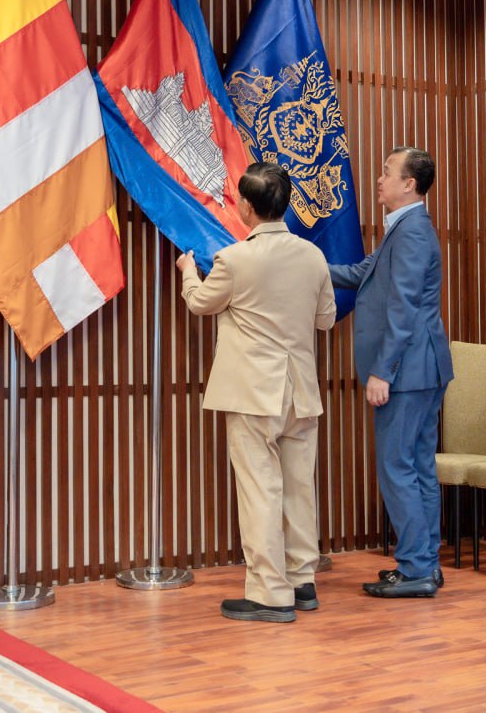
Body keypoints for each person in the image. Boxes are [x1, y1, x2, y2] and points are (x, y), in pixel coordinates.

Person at [177, 161, 337, 623]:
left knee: (260, 490)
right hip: (300, 391)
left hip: (253, 392)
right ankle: (302, 580)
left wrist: (187, 270)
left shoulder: (234, 259)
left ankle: (270, 592)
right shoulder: (313, 256)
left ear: (247, 207)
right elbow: (326, 319)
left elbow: (200, 303)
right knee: (299, 489)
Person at [329, 147, 453, 598]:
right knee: (417, 468)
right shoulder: (404, 228)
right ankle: (425, 564)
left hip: (408, 372)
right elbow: (363, 273)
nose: (379, 180)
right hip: (421, 370)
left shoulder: (413, 231)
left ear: (409, 184)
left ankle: (417, 567)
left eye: (386, 172)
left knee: (397, 467)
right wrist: (303, 265)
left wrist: (384, 371)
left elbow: (403, 307)